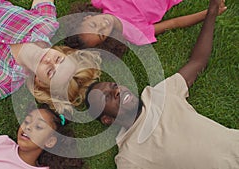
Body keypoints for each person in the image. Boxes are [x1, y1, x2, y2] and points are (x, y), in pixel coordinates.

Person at [85, 0, 239, 168]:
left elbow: (197, 61)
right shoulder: (129, 157)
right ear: (107, 119)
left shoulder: (158, 95)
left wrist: (211, 13)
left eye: (114, 86)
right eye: (108, 97)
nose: (117, 91)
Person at [0, 0, 102, 136]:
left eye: (50, 72)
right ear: (61, 51)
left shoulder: (7, 80)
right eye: (59, 59)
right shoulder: (45, 23)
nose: (49, 62)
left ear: (40, 81)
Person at [63, 0, 227, 58]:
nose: (102, 25)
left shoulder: (101, 2)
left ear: (87, 17)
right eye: (101, 34)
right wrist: (210, 12)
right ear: (107, 40)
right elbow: (173, 24)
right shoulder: (134, 33)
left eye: (93, 24)